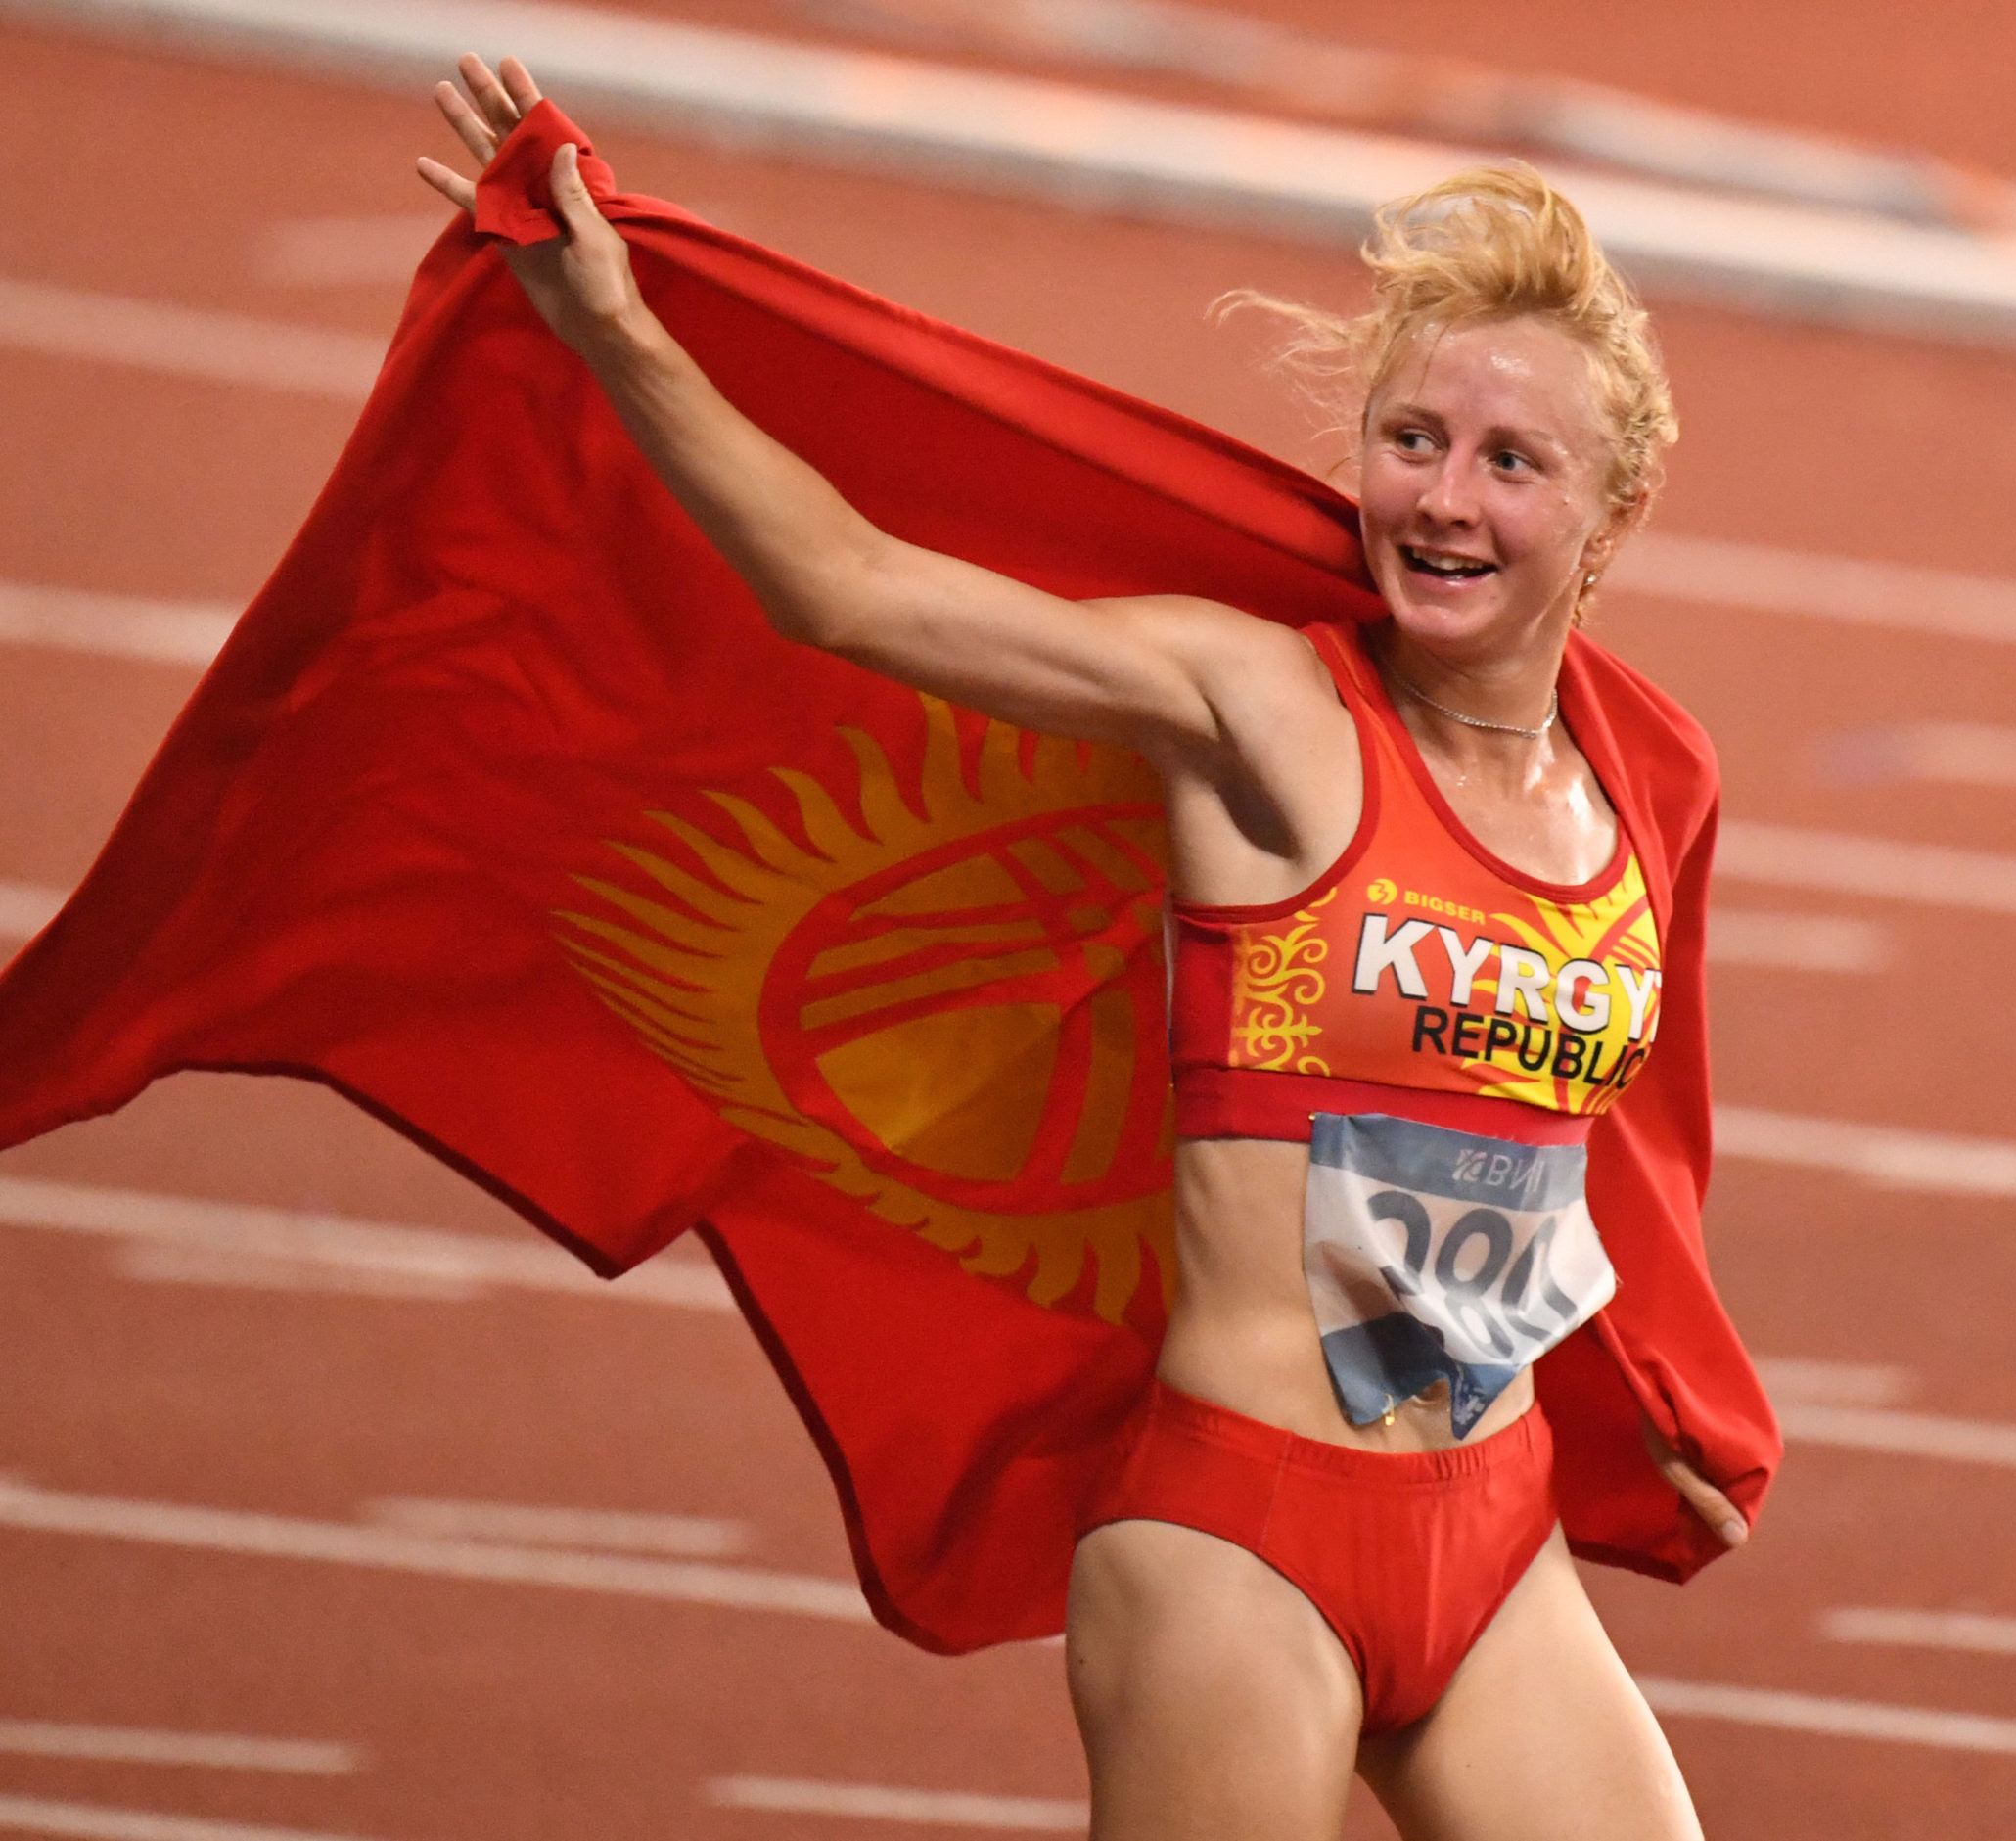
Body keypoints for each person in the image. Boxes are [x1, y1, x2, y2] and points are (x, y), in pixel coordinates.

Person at [420, 52, 1751, 1841]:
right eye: (1413, 440)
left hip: (1497, 1535)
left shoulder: (1643, 790)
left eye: (1512, 462)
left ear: (1610, 514)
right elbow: (848, 587)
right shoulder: (1263, 714)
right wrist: (614, 327)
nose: (1444, 499)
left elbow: (1595, 1141)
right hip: (1244, 1540)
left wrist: (1642, 1377)